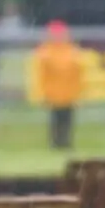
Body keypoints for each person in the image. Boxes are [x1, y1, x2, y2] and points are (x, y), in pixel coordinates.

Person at [33, 20, 85, 149]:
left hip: (68, 94)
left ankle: (66, 142)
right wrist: (43, 93)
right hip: (53, 94)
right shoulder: (45, 52)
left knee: (67, 120)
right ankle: (55, 143)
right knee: (55, 121)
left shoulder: (72, 51)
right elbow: (41, 76)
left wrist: (78, 93)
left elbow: (78, 76)